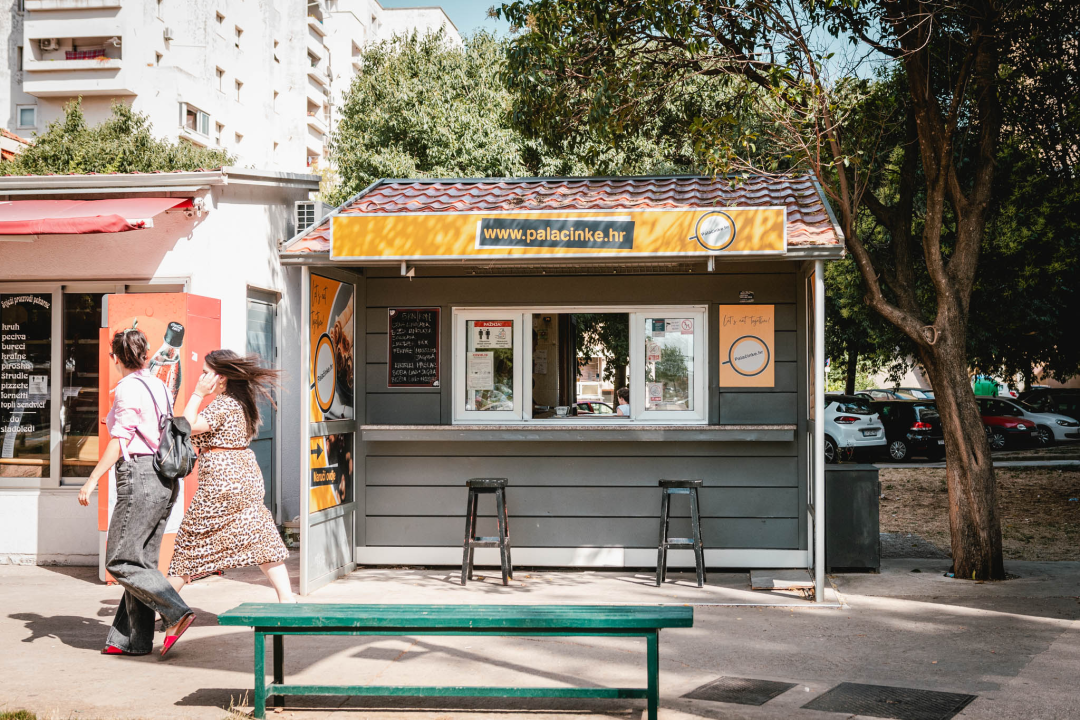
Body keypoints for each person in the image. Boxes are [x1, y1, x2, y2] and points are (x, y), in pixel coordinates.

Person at [77, 326, 195, 657]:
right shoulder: (159, 385)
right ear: (144, 355)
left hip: (140, 476)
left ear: (115, 358)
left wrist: (92, 479)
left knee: (120, 559)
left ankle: (176, 611)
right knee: (141, 563)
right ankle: (132, 641)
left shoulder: (128, 388)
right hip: (165, 478)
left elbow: (121, 440)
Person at [167, 350, 294, 602]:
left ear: (221, 377)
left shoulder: (223, 404)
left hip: (222, 481)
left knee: (189, 542)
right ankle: (287, 598)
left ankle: (164, 606)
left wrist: (197, 394)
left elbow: (187, 426)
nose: (201, 378)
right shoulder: (239, 402)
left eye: (205, 373)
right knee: (261, 536)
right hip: (245, 477)